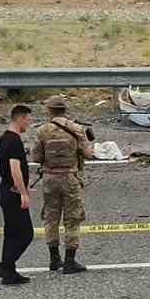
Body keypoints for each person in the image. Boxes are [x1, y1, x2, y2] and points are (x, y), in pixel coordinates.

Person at [32, 95, 94, 274]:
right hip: (70, 178)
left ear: (49, 110)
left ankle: (54, 258)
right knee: (73, 218)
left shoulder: (42, 131)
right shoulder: (77, 129)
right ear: (65, 109)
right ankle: (70, 261)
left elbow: (36, 157)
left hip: (50, 179)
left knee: (51, 218)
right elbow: (88, 154)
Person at [0, 105, 35, 285]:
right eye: (28, 119)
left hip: (5, 190)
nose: (30, 122)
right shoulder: (14, 141)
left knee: (11, 232)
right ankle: (5, 265)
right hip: (12, 193)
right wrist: (23, 193)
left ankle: (9, 271)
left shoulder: (4, 138)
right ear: (19, 118)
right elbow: (15, 169)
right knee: (26, 233)